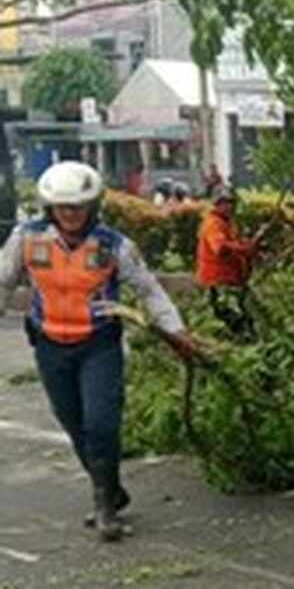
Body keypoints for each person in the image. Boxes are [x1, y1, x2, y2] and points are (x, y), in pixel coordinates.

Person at [0, 161, 199, 542]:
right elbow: (3, 281)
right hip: (49, 344)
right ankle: (111, 488)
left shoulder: (115, 247)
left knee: (102, 423)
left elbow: (150, 290)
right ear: (50, 208)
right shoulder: (27, 240)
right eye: (62, 207)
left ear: (92, 206)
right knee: (73, 423)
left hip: (99, 344)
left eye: (77, 207)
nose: (70, 215)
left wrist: (176, 333)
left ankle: (105, 506)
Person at [195, 186, 257, 337]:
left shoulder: (227, 223)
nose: (229, 206)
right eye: (225, 202)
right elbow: (220, 247)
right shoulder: (213, 223)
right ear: (217, 204)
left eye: (231, 202)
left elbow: (234, 244)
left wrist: (248, 247)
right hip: (219, 282)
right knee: (234, 320)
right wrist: (244, 249)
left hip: (232, 280)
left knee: (246, 316)